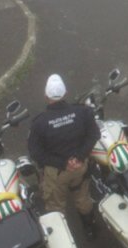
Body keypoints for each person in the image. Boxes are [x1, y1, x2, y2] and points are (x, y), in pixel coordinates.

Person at [27, 74, 99, 238]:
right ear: (65, 93)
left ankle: (62, 239)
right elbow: (94, 134)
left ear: (46, 96)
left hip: (56, 173)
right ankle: (90, 230)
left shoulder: (39, 122)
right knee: (83, 198)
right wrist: (79, 157)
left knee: (55, 206)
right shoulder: (82, 111)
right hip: (80, 167)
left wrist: (62, 163)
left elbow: (36, 153)